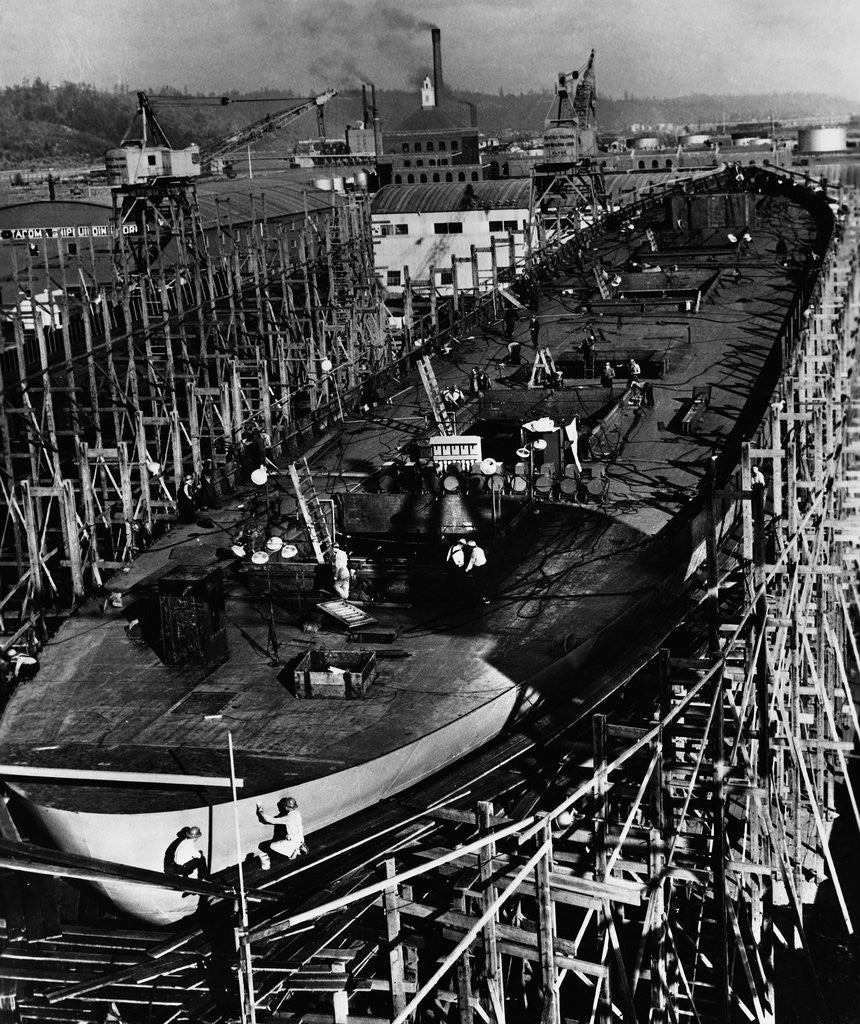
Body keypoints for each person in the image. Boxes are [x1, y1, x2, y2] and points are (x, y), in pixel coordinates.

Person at [464, 539, 489, 604]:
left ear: (470, 546)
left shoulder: (474, 552)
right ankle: (484, 594)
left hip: (479, 568)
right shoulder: (480, 549)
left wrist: (466, 570)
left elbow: (471, 562)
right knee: (483, 581)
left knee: (479, 582)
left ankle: (483, 597)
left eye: (469, 547)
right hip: (485, 566)